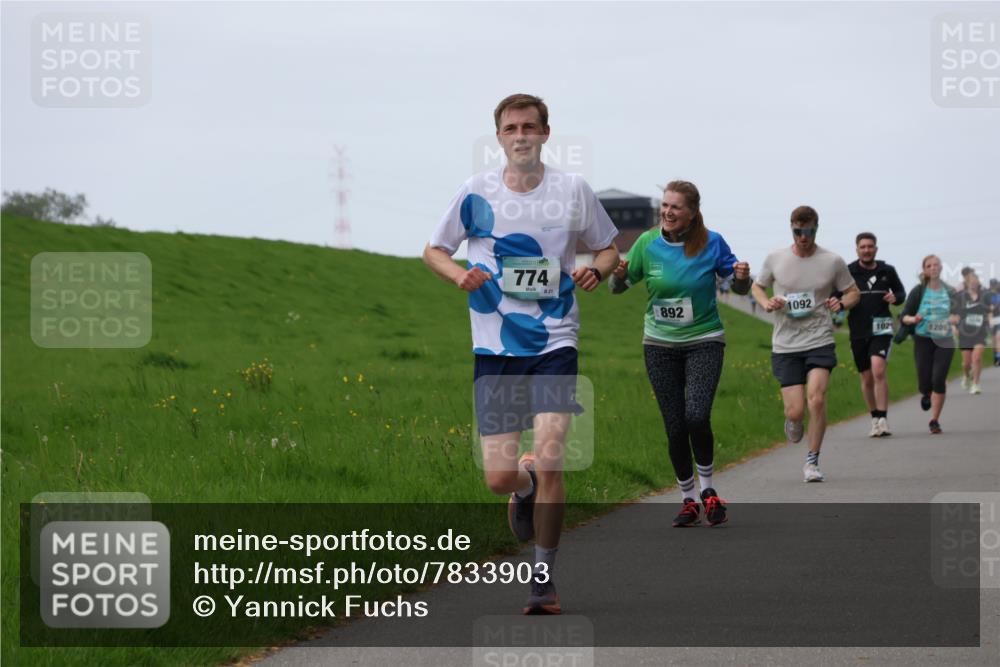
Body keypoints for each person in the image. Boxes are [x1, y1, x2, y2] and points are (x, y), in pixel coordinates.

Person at [423, 94, 619, 615]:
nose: (521, 135)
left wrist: (595, 269)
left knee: (554, 451)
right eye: (511, 128)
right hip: (495, 345)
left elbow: (608, 246)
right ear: (499, 137)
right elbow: (434, 249)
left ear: (546, 133)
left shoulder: (572, 190)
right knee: (497, 479)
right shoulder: (475, 192)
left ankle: (543, 579)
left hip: (556, 336)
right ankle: (523, 484)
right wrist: (458, 274)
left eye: (530, 126)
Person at [609, 180, 750, 527]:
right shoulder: (646, 243)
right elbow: (619, 288)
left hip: (704, 340)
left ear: (691, 213)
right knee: (674, 427)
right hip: (658, 346)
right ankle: (687, 499)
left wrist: (744, 277)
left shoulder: (712, 242)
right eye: (665, 205)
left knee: (697, 417)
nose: (667, 212)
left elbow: (738, 285)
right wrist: (619, 276)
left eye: (675, 207)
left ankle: (708, 490)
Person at [751, 206, 859, 482]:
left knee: (817, 399)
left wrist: (841, 302)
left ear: (816, 229)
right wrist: (766, 303)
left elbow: (853, 292)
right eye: (798, 231)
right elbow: (758, 286)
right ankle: (795, 421)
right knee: (796, 410)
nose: (803, 237)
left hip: (819, 339)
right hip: (786, 344)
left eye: (808, 231)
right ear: (791, 228)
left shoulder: (832, 261)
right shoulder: (776, 258)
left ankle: (812, 462)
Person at [846, 232, 906, 437]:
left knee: (878, 370)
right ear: (857, 249)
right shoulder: (849, 271)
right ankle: (874, 419)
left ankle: (883, 418)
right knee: (866, 377)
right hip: (858, 330)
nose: (866, 250)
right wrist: (836, 301)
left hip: (882, 326)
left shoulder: (887, 270)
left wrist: (894, 297)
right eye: (862, 247)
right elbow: (836, 294)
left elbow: (901, 293)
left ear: (876, 249)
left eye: (870, 246)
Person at [898, 255, 956, 434]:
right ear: (925, 270)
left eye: (936, 264)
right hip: (923, 339)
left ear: (941, 268)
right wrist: (913, 318)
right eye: (929, 265)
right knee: (925, 380)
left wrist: (956, 318)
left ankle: (934, 420)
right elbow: (904, 316)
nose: (933, 268)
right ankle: (925, 393)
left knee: (938, 378)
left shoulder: (950, 291)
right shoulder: (918, 291)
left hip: (945, 340)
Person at [955, 268, 990, 394]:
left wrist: (989, 320)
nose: (974, 283)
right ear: (967, 283)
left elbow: (989, 311)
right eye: (972, 282)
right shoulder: (960, 296)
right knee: (966, 363)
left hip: (980, 332)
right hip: (965, 333)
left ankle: (976, 384)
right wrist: (955, 327)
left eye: (976, 281)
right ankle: (966, 375)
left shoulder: (984, 296)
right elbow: (954, 314)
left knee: (977, 357)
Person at [989, 278, 1000, 367]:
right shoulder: (988, 295)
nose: (994, 286)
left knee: (998, 337)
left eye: (995, 285)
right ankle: (995, 357)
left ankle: (998, 357)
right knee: (993, 339)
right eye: (992, 285)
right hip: (992, 319)